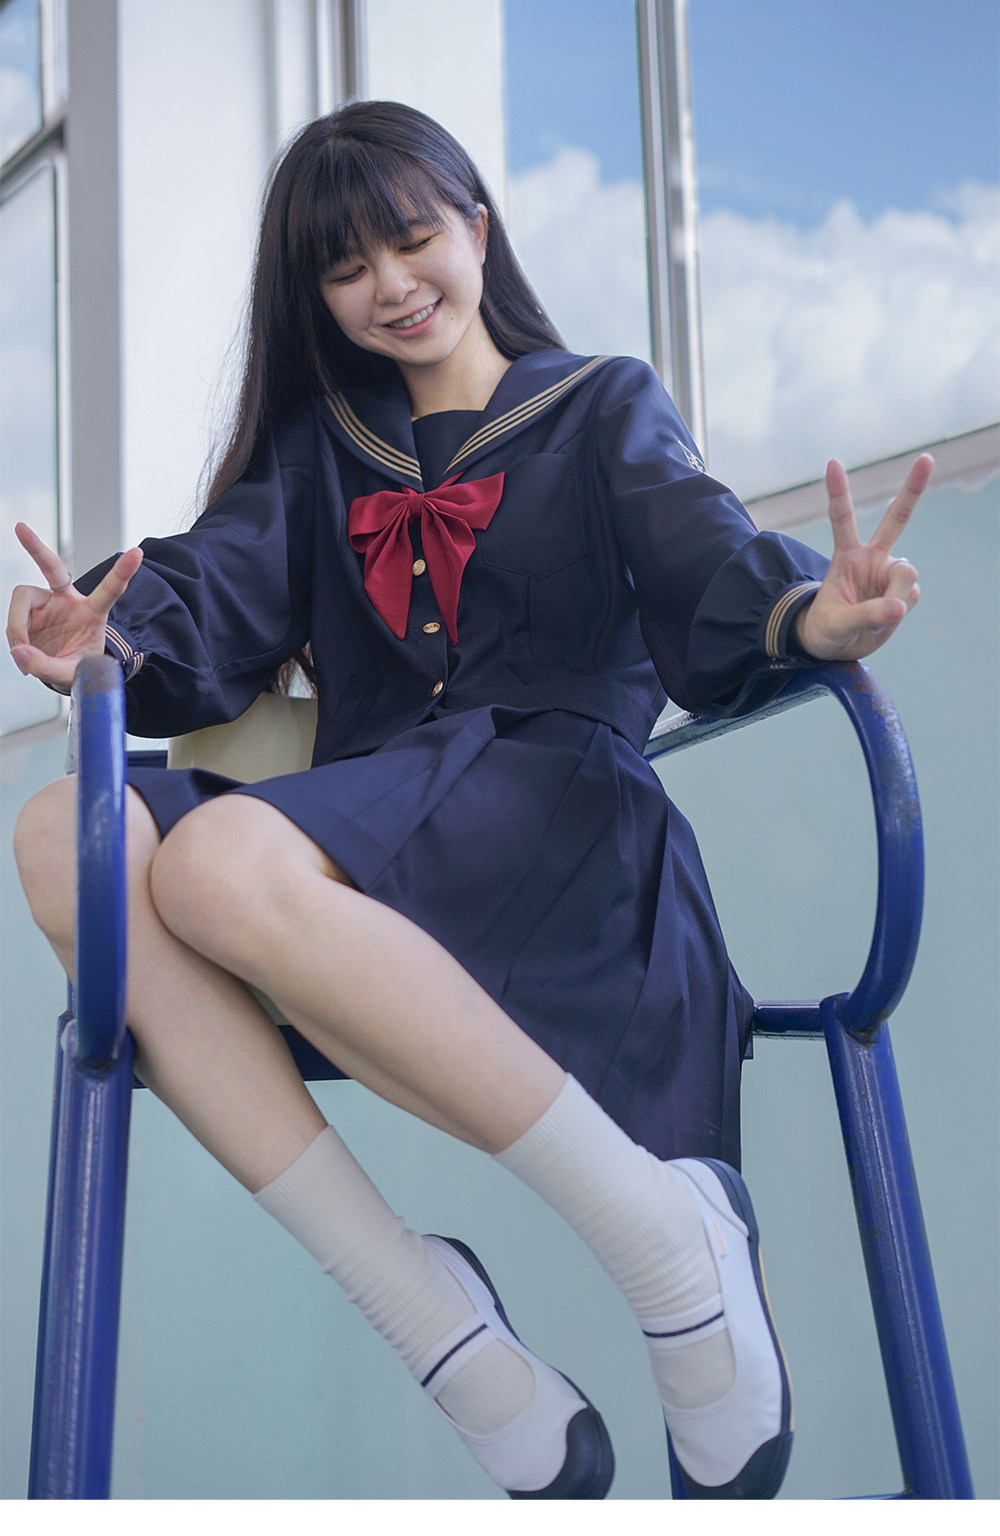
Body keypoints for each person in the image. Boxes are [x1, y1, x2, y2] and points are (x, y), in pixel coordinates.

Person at [7, 101, 929, 1500]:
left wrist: (812, 616)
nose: (389, 284)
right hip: (369, 849)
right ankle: (437, 1320)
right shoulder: (321, 449)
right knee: (59, 836)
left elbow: (705, 561)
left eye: (413, 238)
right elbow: (212, 590)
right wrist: (104, 635)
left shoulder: (602, 402)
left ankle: (668, 1247)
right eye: (346, 268)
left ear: (478, 228)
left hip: (563, 834)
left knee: (217, 864)